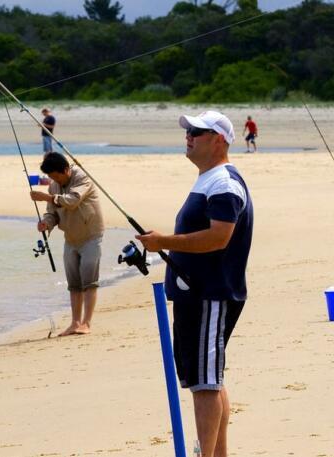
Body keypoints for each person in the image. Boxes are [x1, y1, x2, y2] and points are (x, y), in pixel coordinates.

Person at [135, 110, 253, 457]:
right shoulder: (208, 179)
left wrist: (164, 242)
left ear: (219, 140)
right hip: (197, 295)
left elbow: (219, 237)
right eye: (188, 131)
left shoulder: (224, 183)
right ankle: (217, 453)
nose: (189, 136)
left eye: (198, 132)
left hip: (210, 295)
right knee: (209, 379)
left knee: (205, 383)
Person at [30, 152, 104, 336]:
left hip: (91, 236)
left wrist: (47, 198)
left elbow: (72, 201)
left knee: (90, 281)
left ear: (66, 170)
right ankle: (75, 322)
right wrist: (46, 224)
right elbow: (52, 213)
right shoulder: (54, 187)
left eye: (56, 176)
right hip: (70, 238)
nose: (54, 180)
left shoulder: (82, 177)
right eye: (51, 177)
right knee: (74, 284)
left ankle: (86, 323)